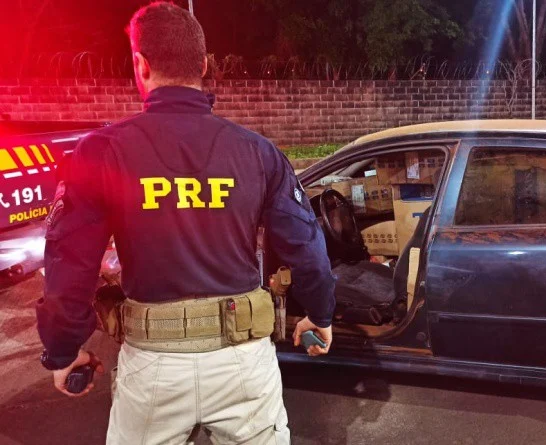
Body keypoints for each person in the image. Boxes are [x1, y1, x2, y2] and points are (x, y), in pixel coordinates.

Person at [35, 2, 335, 444]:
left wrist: (64, 349)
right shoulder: (258, 152)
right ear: (205, 65)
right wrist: (320, 313)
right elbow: (307, 246)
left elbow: (69, 262)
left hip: (154, 368)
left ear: (140, 64)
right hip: (243, 364)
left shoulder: (101, 152)